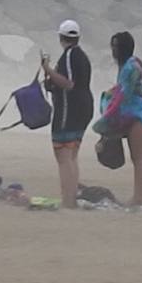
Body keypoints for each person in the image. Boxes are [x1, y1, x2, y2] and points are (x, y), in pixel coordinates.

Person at [93, 32, 142, 205]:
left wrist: (107, 116)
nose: (113, 50)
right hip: (131, 113)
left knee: (139, 158)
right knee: (137, 158)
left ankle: (139, 197)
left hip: (140, 114)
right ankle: (141, 196)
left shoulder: (130, 67)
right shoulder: (128, 65)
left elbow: (124, 94)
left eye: (115, 46)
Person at [42, 20, 93, 209]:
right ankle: (71, 199)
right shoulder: (81, 56)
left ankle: (68, 200)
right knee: (72, 155)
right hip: (83, 108)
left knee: (63, 155)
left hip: (69, 109)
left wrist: (47, 69)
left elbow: (69, 84)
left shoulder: (70, 56)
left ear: (61, 38)